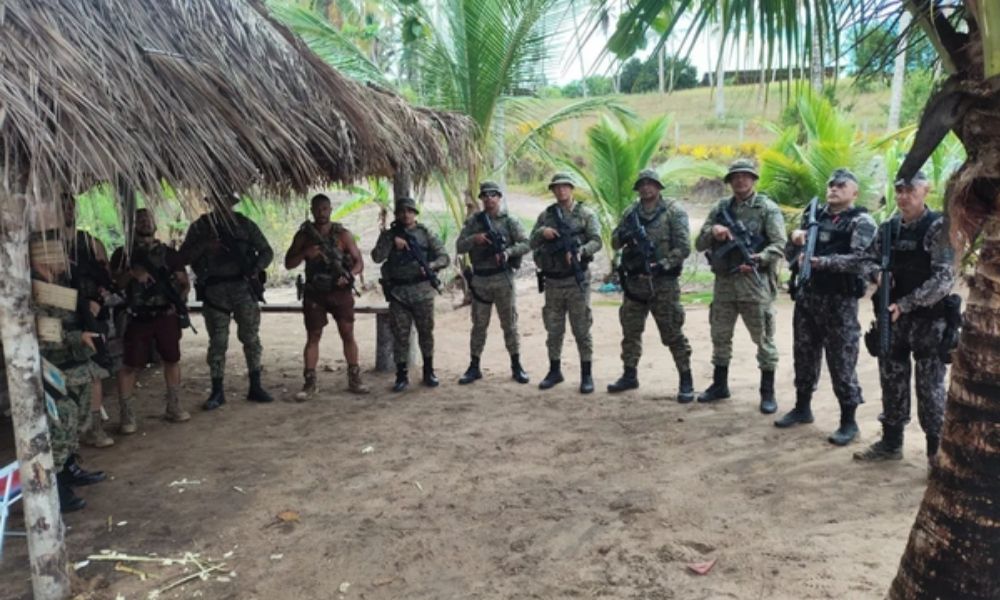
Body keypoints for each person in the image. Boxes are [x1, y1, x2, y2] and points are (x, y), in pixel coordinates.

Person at [854, 171, 957, 466]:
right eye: (899, 190)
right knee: (892, 379)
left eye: (910, 190)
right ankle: (891, 442)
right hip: (893, 320)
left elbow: (943, 279)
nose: (903, 196)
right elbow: (865, 260)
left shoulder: (937, 228)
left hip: (928, 320)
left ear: (925, 190)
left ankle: (934, 452)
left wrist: (906, 303)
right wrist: (877, 275)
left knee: (930, 388)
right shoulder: (888, 229)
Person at [775, 169, 877, 445]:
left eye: (841, 185)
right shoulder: (814, 218)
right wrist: (795, 242)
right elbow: (790, 255)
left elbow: (862, 260)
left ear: (854, 193)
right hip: (809, 297)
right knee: (804, 354)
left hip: (839, 302)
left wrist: (822, 261)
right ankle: (802, 407)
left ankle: (848, 421)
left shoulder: (861, 221)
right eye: (831, 184)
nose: (834, 188)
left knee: (842, 361)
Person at [694, 158, 787, 413]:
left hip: (754, 286)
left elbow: (780, 245)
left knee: (763, 340)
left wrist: (759, 259)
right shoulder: (720, 208)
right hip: (724, 284)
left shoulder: (766, 208)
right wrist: (714, 231)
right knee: (720, 335)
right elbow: (699, 244)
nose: (740, 180)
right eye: (735, 177)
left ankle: (767, 393)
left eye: (745, 176)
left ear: (753, 180)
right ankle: (719, 385)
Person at [31, 231, 107, 512]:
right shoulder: (33, 291)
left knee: (73, 422)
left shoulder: (58, 285)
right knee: (59, 423)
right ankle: (55, 485)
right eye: (60, 253)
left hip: (72, 366)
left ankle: (68, 469)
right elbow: (40, 334)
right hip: (51, 368)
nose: (67, 258)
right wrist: (78, 338)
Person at [180, 193, 275, 409]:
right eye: (219, 202)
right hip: (214, 291)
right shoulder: (200, 227)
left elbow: (267, 251)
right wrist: (205, 246)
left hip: (243, 288)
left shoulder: (244, 225)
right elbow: (183, 257)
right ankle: (217, 391)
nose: (223, 206)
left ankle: (256, 386)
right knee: (218, 342)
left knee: (250, 338)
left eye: (226, 202)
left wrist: (254, 269)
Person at [606, 169, 695, 400]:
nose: (646, 188)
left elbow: (684, 247)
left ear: (658, 187)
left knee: (672, 331)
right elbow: (615, 242)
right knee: (631, 331)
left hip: (663, 283)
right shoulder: (631, 213)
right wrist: (625, 234)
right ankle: (629, 374)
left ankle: (686, 379)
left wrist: (663, 264)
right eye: (642, 184)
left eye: (651, 184)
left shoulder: (673, 212)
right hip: (635, 283)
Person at [110, 208, 192, 430]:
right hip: (137, 316)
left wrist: (178, 301)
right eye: (140, 219)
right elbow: (114, 285)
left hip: (165, 314)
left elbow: (185, 284)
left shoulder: (168, 254)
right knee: (130, 365)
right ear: (133, 225)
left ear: (155, 224)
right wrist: (132, 274)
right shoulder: (123, 254)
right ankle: (127, 415)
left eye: (149, 218)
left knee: (172, 359)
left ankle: (173, 406)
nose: (145, 222)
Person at [284, 193, 369, 399]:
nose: (321, 213)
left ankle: (354, 378)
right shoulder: (304, 236)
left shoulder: (343, 235)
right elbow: (289, 263)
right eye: (317, 209)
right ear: (311, 210)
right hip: (315, 293)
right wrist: (305, 253)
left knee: (347, 334)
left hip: (340, 292)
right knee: (313, 336)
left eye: (325, 209)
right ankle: (310, 383)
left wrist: (348, 275)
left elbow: (359, 262)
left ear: (330, 210)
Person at [530, 173, 603, 394]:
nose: (561, 191)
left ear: (571, 189)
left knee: (581, 328)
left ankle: (586, 374)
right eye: (557, 188)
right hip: (553, 281)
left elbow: (597, 241)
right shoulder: (547, 216)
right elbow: (531, 241)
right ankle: (554, 370)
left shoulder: (586, 214)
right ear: (553, 191)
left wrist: (581, 251)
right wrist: (543, 232)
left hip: (576, 280)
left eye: (565, 187)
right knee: (554, 329)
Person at [455, 181, 531, 384]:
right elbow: (460, 246)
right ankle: (474, 366)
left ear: (499, 197)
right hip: (480, 279)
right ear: (481, 199)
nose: (489, 199)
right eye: (485, 195)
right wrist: (475, 239)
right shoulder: (474, 222)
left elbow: (526, 244)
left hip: (502, 278)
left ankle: (516, 365)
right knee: (479, 325)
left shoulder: (510, 221)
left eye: (493, 195)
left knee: (510, 324)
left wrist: (508, 252)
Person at [371, 197, 449, 392]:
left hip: (422, 291)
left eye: (410, 211)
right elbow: (376, 257)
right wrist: (390, 241)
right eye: (402, 211)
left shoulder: (425, 234)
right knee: (401, 336)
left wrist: (430, 266)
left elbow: (444, 257)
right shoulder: (389, 235)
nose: (406, 215)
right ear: (397, 214)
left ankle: (429, 371)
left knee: (426, 333)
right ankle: (401, 375)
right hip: (399, 294)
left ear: (415, 213)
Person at [63, 194, 116, 449]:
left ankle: (94, 428)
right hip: (60, 318)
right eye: (61, 206)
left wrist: (98, 302)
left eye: (70, 205)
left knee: (95, 371)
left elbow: (107, 280)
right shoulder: (42, 245)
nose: (66, 211)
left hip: (89, 316)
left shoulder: (90, 243)